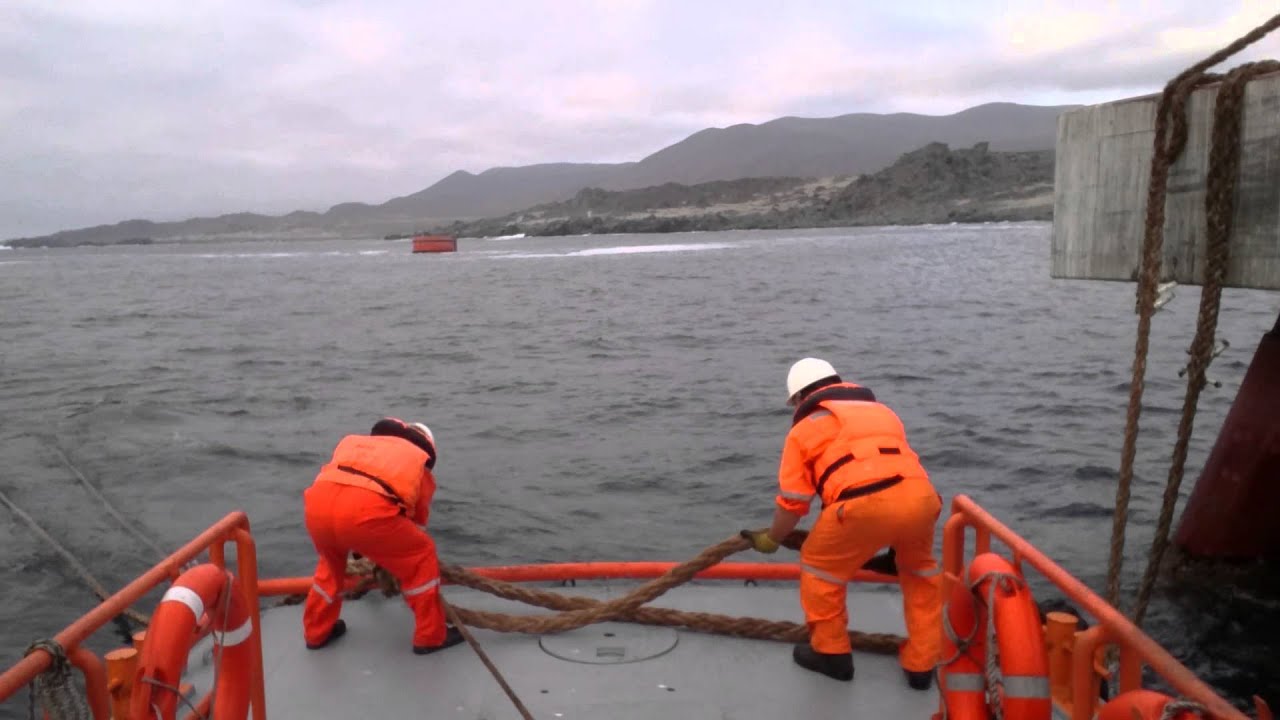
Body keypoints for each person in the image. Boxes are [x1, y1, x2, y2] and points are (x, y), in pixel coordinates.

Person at [741, 358, 942, 688]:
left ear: (799, 397)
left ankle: (831, 655)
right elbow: (889, 468)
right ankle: (922, 666)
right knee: (920, 573)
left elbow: (794, 503)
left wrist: (772, 538)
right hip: (923, 500)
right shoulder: (883, 412)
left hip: (861, 505)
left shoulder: (803, 429)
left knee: (820, 568)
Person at [301, 417, 465, 655]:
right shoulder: (417, 461)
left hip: (317, 509)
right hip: (365, 515)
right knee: (422, 555)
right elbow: (416, 523)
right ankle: (430, 636)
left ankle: (316, 632)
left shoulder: (357, 444)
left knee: (330, 565)